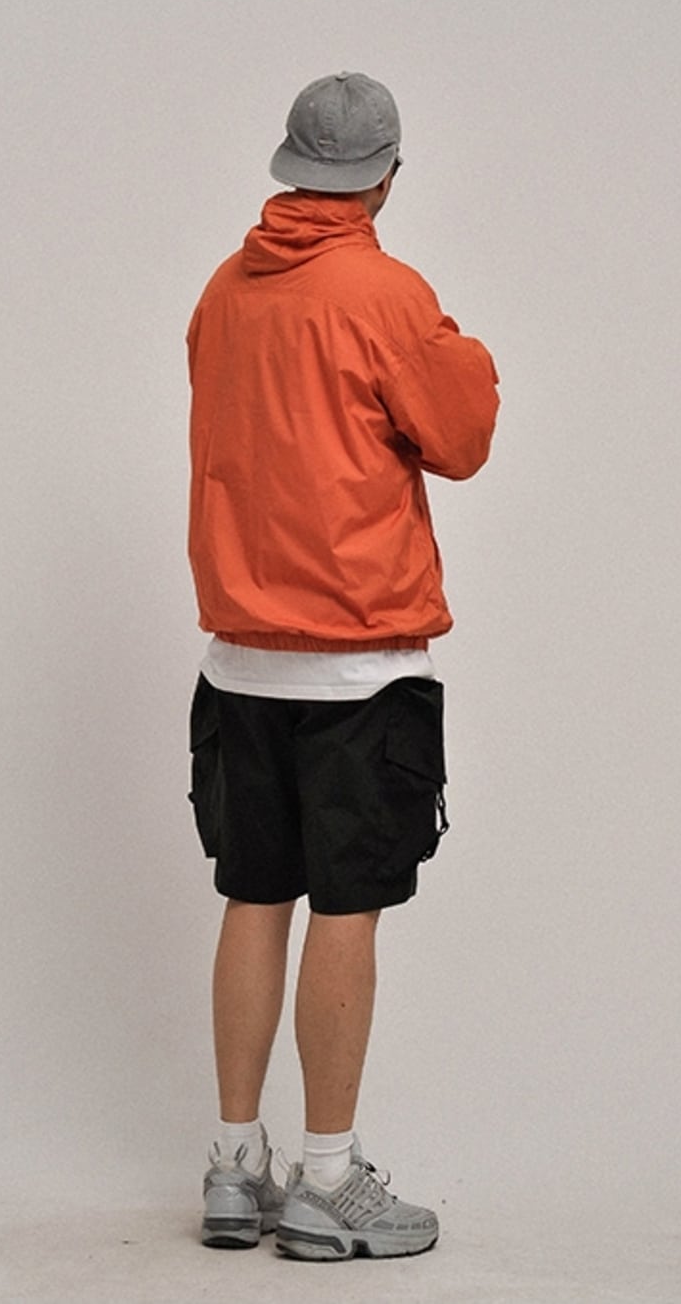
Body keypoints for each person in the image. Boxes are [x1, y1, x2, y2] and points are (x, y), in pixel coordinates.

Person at [185, 71, 500, 1261]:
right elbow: (460, 439)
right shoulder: (385, 294)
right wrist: (462, 355)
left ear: (289, 168)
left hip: (237, 659)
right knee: (347, 908)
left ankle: (234, 1165)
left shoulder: (225, 290)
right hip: (358, 664)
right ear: (386, 177)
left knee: (252, 895)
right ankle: (326, 1179)